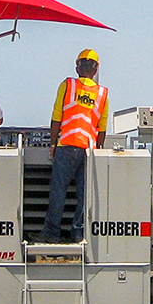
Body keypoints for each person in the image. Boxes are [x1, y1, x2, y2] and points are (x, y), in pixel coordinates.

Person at [34, 49, 109, 244]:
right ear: (96, 69)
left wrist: (53, 143)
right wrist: (98, 150)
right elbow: (102, 128)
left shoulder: (68, 85)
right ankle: (78, 233)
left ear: (77, 67)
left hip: (66, 145)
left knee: (59, 190)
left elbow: (56, 116)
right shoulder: (102, 93)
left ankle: (51, 232)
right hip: (88, 149)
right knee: (84, 194)